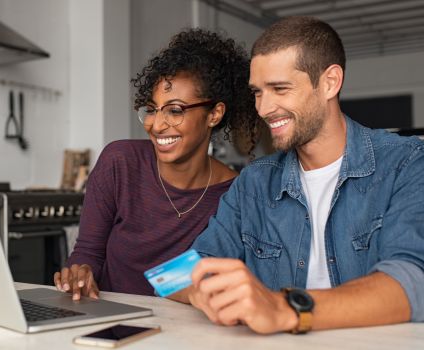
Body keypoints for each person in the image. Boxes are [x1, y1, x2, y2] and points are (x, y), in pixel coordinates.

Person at [173, 16, 424, 334]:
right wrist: (204, 290)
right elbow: (173, 276)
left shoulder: (407, 162)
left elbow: (412, 282)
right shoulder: (254, 182)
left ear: (330, 82)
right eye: (258, 92)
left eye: (280, 88)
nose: (264, 108)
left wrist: (283, 307)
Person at [54, 29, 259, 299]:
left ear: (214, 114)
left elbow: (199, 279)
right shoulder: (120, 162)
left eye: (175, 110)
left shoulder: (234, 194)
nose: (157, 125)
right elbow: (87, 253)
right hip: (106, 328)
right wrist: (79, 275)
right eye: (151, 109)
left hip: (178, 336)